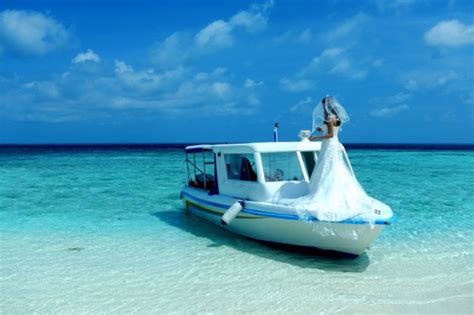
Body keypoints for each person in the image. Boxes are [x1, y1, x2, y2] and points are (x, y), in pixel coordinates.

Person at [289, 95, 388, 222]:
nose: (322, 109)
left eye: (323, 106)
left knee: (327, 168)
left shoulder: (330, 118)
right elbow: (332, 131)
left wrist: (315, 138)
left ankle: (328, 194)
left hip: (329, 145)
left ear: (326, 106)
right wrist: (321, 129)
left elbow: (330, 135)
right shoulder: (336, 118)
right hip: (333, 144)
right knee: (332, 167)